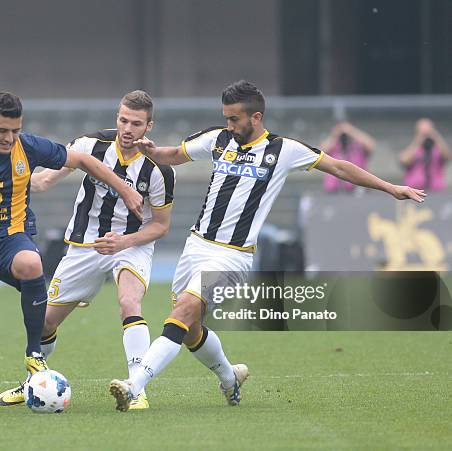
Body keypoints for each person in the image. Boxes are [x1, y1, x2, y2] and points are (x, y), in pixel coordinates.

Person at [108, 80, 426, 412]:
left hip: (232, 257)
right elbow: (173, 155)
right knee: (190, 331)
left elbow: (339, 167)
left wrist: (390, 187)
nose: (229, 126)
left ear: (255, 117)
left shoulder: (284, 150)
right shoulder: (219, 139)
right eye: (226, 118)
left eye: (234, 119)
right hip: (196, 247)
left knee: (181, 314)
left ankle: (135, 385)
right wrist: (152, 152)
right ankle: (230, 377)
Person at [0, 92, 143, 416]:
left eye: (15, 131)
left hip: (10, 237)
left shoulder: (27, 146)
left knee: (32, 263)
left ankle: (35, 354)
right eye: (2, 131)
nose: (9, 138)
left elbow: (83, 160)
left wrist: (126, 188)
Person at [0, 90, 175, 410]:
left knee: (129, 301)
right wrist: (5, 175)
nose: (127, 129)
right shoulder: (89, 146)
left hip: (130, 245)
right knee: (45, 322)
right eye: (122, 120)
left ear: (149, 126)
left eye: (136, 123)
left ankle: (136, 387)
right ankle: (32, 383)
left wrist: (124, 242)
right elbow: (44, 181)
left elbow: (160, 225)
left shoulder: (159, 170)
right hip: (84, 246)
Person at [320, 121, 375, 193]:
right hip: (334, 188)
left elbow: (371, 146)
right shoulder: (334, 145)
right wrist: (335, 135)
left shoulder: (358, 145)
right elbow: (320, 152)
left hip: (357, 187)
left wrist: (351, 131)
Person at [399, 118, 450, 192]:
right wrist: (418, 140)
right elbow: (404, 161)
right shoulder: (413, 147)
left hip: (436, 189)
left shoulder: (437, 148)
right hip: (413, 189)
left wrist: (436, 137)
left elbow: (447, 157)